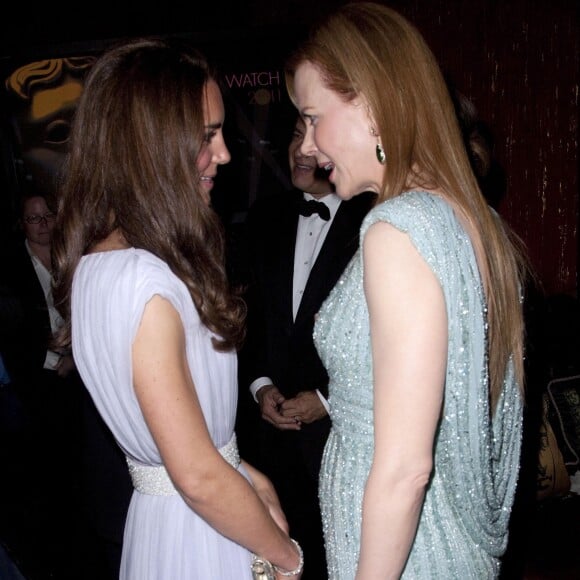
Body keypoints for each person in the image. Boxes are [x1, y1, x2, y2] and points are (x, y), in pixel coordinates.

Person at [285, 3, 528, 578]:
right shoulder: (468, 214)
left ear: (371, 104)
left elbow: (403, 469)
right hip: (433, 536)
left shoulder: (397, 229)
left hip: (404, 551)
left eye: (314, 117)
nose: (307, 147)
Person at [51, 37, 303, 580]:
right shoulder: (147, 282)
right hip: (200, 531)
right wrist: (288, 559)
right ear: (153, 143)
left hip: (169, 521)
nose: (225, 154)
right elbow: (196, 476)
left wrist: (247, 474)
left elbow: (187, 454)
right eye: (207, 136)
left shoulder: (98, 267)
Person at [238, 115, 374, 579]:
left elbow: (387, 344)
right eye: (295, 133)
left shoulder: (378, 222)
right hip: (268, 439)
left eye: (313, 137)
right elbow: (249, 320)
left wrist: (325, 401)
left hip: (342, 437)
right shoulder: (264, 218)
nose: (300, 148)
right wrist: (259, 386)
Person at [0, 189, 87, 579]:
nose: (42, 225)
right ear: (23, 224)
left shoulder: (73, 255)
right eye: (33, 219)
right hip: (35, 381)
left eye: (47, 216)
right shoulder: (9, 266)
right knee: (44, 469)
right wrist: (54, 360)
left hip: (79, 372)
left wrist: (75, 357)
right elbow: (11, 334)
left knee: (79, 458)